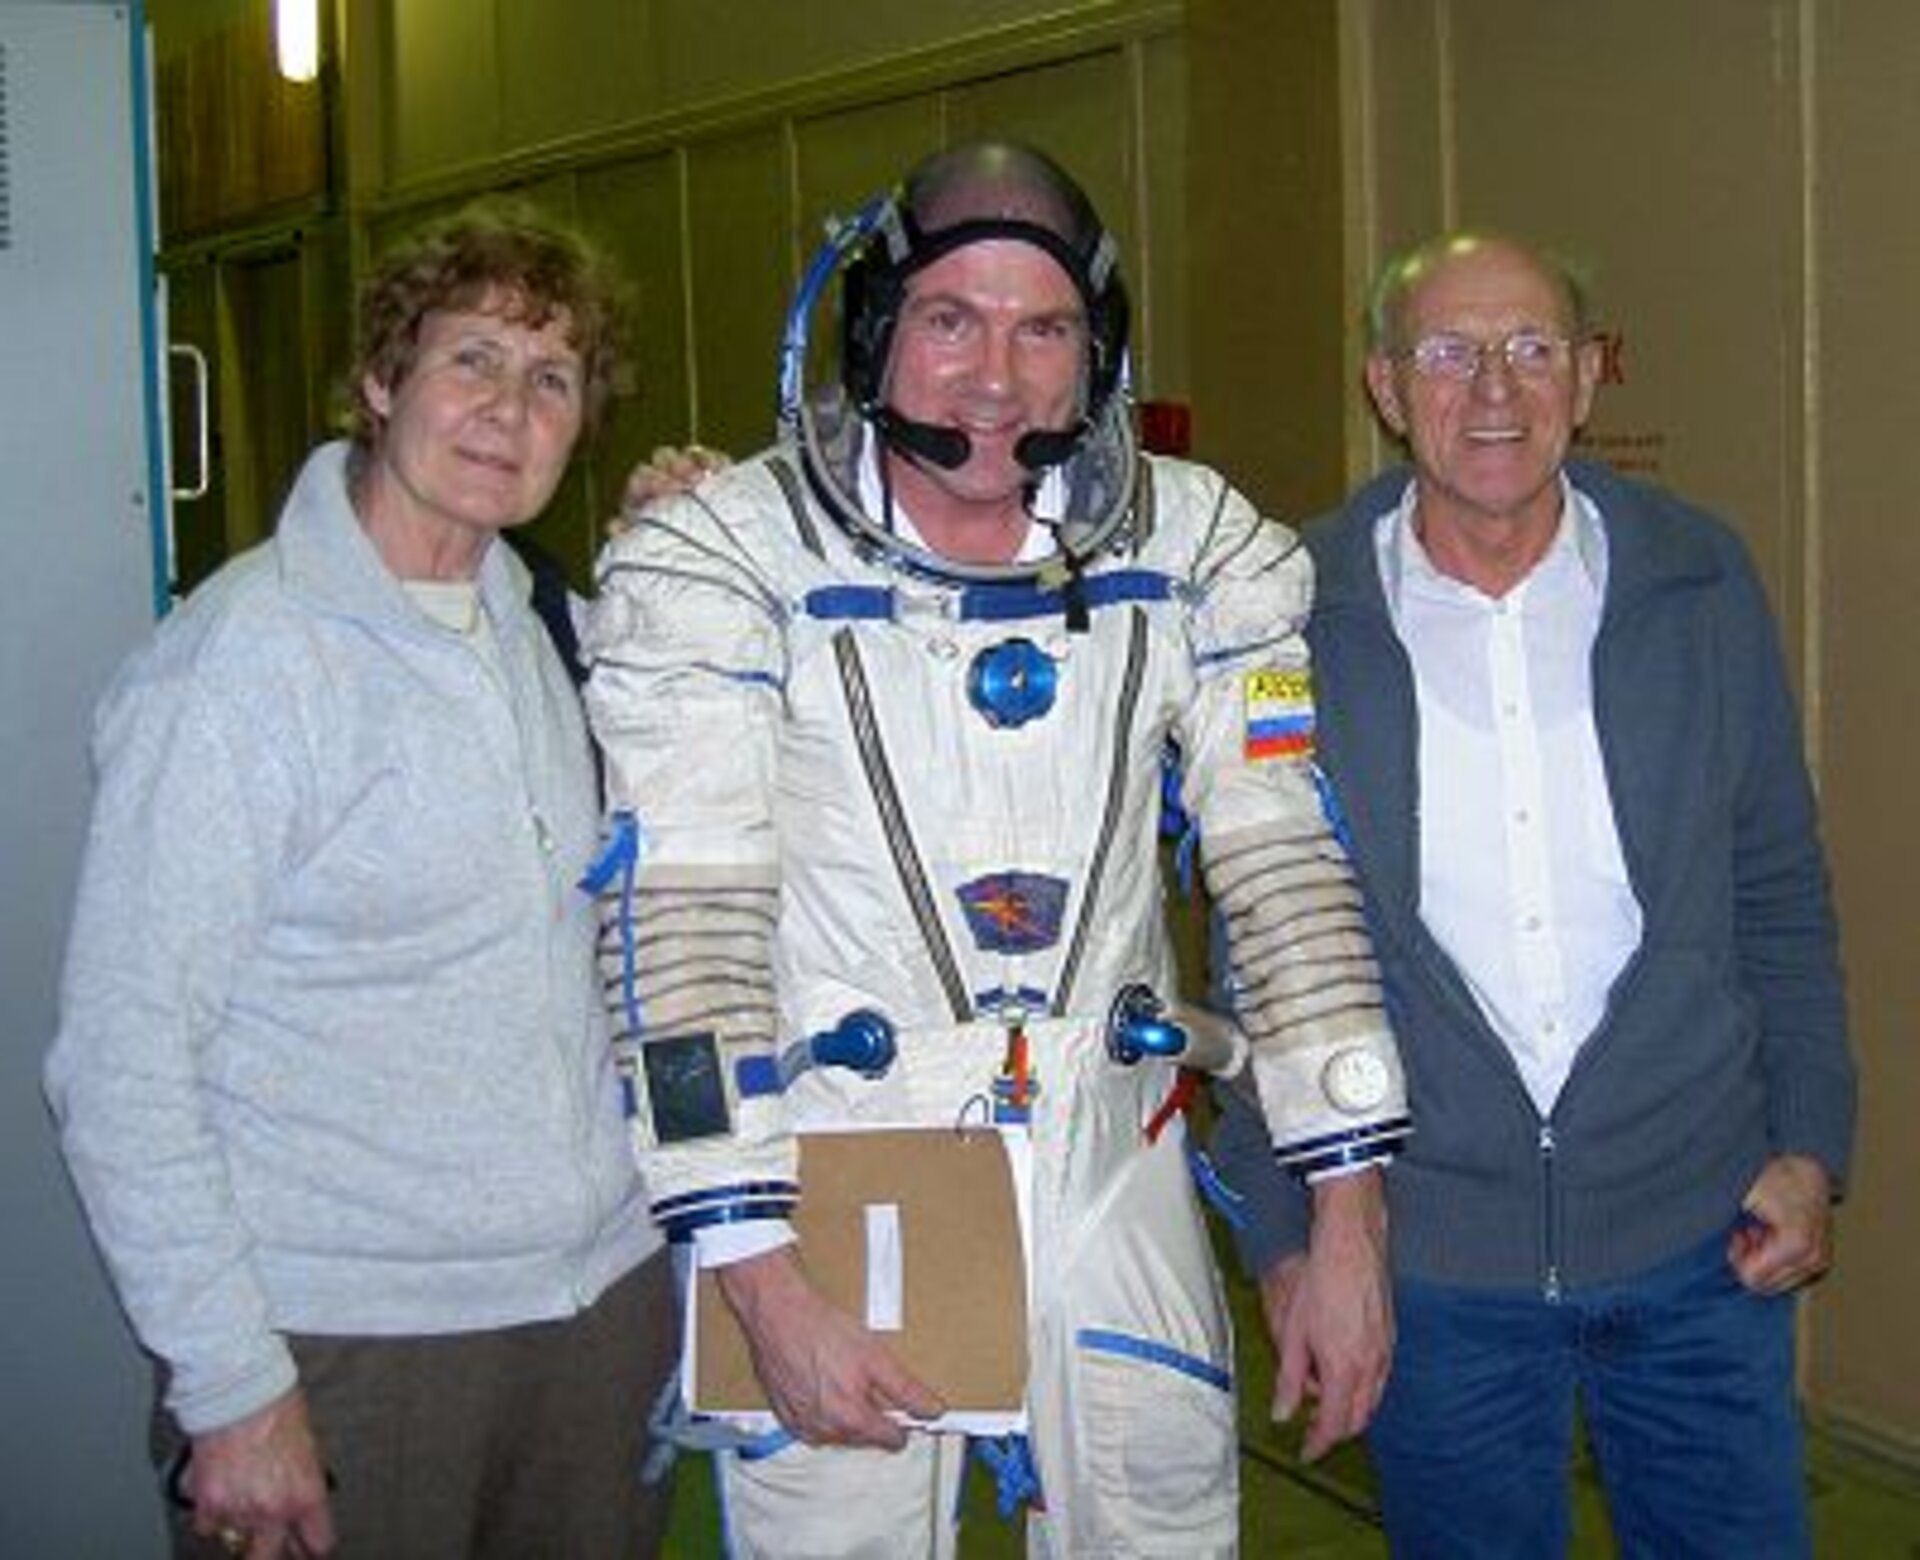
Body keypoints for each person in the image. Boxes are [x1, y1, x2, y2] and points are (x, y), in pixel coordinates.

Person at [581, 139, 1410, 1558]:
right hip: (831, 1178)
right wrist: (756, 1282)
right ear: (874, 337)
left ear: (1098, 362)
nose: (996, 374)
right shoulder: (727, 564)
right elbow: (682, 940)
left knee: (1162, 1518)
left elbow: (1286, 880)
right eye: (951, 320)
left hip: (1112, 1160)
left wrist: (1351, 1225)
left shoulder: (1199, 551)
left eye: (1045, 331)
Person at [1212, 230, 1857, 1559]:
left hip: (1701, 1236)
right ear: (1386, 385)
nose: (1493, 390)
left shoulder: (1697, 578)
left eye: (1533, 349)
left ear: (1591, 374)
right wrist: (1288, 1240)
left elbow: (1778, 889)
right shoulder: (1289, 612)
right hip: (1432, 1262)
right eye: (1449, 352)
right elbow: (1256, 948)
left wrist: (1807, 1147)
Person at [45, 202, 675, 1560]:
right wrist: (230, 1389)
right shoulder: (240, 671)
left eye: (551, 378)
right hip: (352, 1346)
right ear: (382, 382)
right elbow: (122, 1063)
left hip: (595, 1319)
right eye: (472, 362)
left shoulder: (551, 629)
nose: (509, 410)